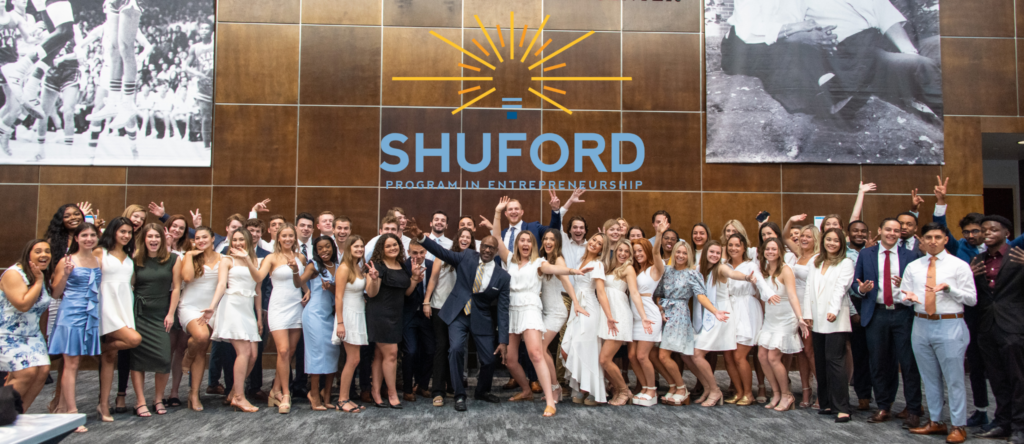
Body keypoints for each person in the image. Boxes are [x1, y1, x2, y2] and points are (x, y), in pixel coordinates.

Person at [491, 197, 586, 416]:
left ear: (533, 245)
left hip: (530, 309)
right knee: (511, 359)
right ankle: (525, 389)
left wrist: (573, 271)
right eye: (521, 241)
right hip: (511, 310)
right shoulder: (510, 260)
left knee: (536, 353)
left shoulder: (539, 263)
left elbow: (556, 270)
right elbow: (496, 237)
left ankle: (551, 400)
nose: (525, 244)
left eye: (528, 241)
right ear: (517, 245)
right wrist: (498, 212)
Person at [407, 219, 510, 413]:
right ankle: (459, 394)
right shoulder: (467, 256)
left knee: (488, 360)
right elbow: (442, 253)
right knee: (454, 350)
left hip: (481, 319)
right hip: (458, 314)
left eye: (491, 248)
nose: (487, 250)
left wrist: (503, 340)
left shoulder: (503, 277)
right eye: (485, 246)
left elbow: (503, 309)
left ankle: (482, 391)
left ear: (496, 252)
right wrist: (422, 237)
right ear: (480, 248)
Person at [898, 223, 976, 444]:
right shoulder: (914, 266)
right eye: (928, 237)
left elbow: (972, 299)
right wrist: (907, 298)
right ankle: (936, 421)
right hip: (921, 324)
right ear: (922, 240)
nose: (932, 241)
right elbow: (902, 294)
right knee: (929, 378)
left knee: (954, 379)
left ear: (945, 239)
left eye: (937, 237)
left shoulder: (959, 266)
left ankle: (959, 426)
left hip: (950, 324)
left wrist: (949, 289)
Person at [851, 218, 923, 428]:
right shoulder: (866, 254)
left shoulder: (911, 256)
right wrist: (861, 290)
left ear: (900, 234)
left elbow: (918, 288)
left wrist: (907, 286)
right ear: (880, 230)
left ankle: (913, 408)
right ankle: (883, 407)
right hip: (877, 314)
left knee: (908, 363)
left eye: (897, 231)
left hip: (903, 314)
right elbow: (856, 284)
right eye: (888, 229)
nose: (892, 233)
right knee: (878, 361)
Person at [972, 216, 1024, 443]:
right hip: (986, 327)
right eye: (984, 230)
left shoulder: (1018, 257)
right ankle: (1002, 422)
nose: (987, 233)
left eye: (993, 229)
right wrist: (970, 278)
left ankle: (1020, 427)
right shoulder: (977, 260)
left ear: (1007, 234)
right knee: (997, 379)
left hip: (1013, 326)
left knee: (1018, 380)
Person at [47, 224, 101, 429]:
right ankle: (72, 413)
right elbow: (55, 292)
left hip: (90, 316)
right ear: (76, 238)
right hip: (70, 315)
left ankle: (61, 408)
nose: (89, 238)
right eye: (84, 235)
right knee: (71, 364)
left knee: (75, 364)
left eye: (92, 235)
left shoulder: (97, 260)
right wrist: (66, 274)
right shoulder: (66, 260)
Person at [692, 240, 757, 407]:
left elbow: (732, 273)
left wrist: (746, 277)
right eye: (711, 252)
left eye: (717, 253)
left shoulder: (720, 268)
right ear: (705, 253)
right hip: (710, 313)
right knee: (726, 357)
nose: (714, 255)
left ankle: (715, 390)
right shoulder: (699, 270)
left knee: (697, 354)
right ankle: (724, 390)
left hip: (721, 314)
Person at [128, 223, 182, 418]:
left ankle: (158, 398)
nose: (153, 240)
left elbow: (176, 287)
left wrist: (170, 313)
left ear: (162, 239)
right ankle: (140, 401)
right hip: (139, 314)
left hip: (162, 314)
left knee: (164, 357)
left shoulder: (173, 259)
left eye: (157, 237)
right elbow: (129, 286)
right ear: (144, 239)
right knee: (138, 359)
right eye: (149, 236)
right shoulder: (135, 260)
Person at [364, 233, 423, 409]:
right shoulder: (377, 266)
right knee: (391, 354)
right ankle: (391, 393)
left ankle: (375, 391)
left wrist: (414, 279)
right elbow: (372, 293)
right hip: (380, 315)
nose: (392, 248)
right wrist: (373, 279)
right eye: (388, 246)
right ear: (381, 248)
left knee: (380, 355)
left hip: (396, 315)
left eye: (395, 245)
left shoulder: (402, 265)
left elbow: (406, 293)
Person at [252, 223, 307, 413]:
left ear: (295, 237)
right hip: (278, 307)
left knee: (290, 352)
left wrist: (307, 292)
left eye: (291, 236)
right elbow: (258, 277)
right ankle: (285, 394)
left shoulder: (300, 257)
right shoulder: (271, 258)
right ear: (278, 237)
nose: (288, 239)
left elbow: (302, 281)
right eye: (284, 236)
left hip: (296, 307)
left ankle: (274, 390)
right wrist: (247, 260)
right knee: (282, 351)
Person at [802, 228, 855, 423]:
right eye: (828, 239)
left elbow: (841, 288)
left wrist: (833, 310)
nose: (832, 243)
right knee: (822, 362)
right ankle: (827, 403)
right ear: (823, 241)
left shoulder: (846, 263)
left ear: (842, 244)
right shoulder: (816, 261)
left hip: (835, 318)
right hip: (816, 318)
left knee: (835, 362)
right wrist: (807, 314)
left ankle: (843, 408)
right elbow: (808, 289)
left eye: (836, 240)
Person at [93, 217, 141, 421]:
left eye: (129, 232)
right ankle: (99, 349)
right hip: (105, 305)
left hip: (123, 305)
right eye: (122, 231)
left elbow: (129, 283)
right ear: (113, 231)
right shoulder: (99, 252)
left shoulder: (130, 255)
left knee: (110, 357)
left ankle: (103, 405)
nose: (126, 235)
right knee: (133, 340)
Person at [754, 238, 808, 412]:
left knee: (773, 357)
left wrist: (800, 318)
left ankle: (787, 394)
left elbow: (793, 296)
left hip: (786, 318)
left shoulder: (786, 270)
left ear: (779, 252)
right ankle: (776, 393)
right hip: (771, 318)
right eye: (767, 249)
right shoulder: (763, 271)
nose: (770, 252)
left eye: (774, 249)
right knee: (762, 356)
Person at [599, 238, 654, 407]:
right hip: (606, 316)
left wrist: (644, 316)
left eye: (627, 251)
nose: (623, 253)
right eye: (620, 250)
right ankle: (617, 388)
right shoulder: (610, 267)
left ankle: (624, 390)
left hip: (619, 315)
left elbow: (635, 294)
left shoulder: (628, 269)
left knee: (604, 359)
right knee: (601, 360)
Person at [423, 228, 474, 407]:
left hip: (460, 311)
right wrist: (426, 301)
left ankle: (454, 386)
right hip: (439, 306)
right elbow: (433, 279)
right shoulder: (443, 256)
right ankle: (438, 390)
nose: (465, 239)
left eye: (468, 237)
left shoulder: (472, 259)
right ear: (457, 239)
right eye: (462, 236)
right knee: (441, 346)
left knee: (456, 349)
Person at [0, 240, 53, 413]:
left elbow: (44, 306)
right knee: (26, 372)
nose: (44, 255)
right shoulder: (14, 274)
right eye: (38, 251)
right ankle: (3, 414)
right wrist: (38, 282)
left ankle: (16, 415)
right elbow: (22, 305)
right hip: (7, 334)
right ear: (27, 254)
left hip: (32, 334)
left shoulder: (39, 273)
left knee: (42, 371)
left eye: (47, 251)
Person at [560, 233, 609, 406]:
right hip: (577, 308)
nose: (595, 244)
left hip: (589, 309)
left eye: (599, 243)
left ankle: (591, 391)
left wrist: (609, 317)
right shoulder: (580, 261)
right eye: (594, 240)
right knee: (567, 348)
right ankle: (581, 385)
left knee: (587, 348)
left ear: (602, 249)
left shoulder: (597, 264)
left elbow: (601, 292)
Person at [653, 240, 702, 406]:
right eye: (678, 252)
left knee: (664, 355)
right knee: (658, 353)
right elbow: (658, 293)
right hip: (665, 312)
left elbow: (701, 295)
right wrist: (660, 310)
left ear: (689, 255)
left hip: (679, 313)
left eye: (684, 253)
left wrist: (715, 311)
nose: (680, 255)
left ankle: (682, 388)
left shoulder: (692, 273)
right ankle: (673, 387)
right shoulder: (666, 271)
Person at [178, 226, 221, 412]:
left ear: (213, 239)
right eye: (197, 238)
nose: (201, 240)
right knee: (201, 337)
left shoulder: (223, 259)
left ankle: (194, 393)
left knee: (202, 348)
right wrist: (189, 255)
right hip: (190, 306)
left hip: (211, 308)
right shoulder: (189, 257)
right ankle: (188, 355)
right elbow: (187, 278)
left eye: (205, 237)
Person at [296, 236, 341, 410]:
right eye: (320, 248)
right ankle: (313, 394)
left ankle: (327, 395)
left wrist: (330, 287)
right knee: (316, 354)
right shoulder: (313, 265)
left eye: (327, 247)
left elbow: (339, 292)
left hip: (330, 315)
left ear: (333, 247)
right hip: (314, 314)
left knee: (332, 353)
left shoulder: (338, 267)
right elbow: (299, 282)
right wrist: (295, 272)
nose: (324, 251)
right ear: (316, 250)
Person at [783, 217, 820, 408]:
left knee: (809, 351)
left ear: (816, 239)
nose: (803, 239)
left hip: (808, 310)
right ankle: (806, 392)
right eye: (802, 235)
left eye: (808, 236)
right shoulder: (798, 254)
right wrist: (790, 220)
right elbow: (784, 236)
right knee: (801, 353)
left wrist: (809, 314)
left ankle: (823, 392)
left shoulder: (818, 258)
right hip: (794, 308)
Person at [722, 233, 763, 405]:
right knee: (728, 357)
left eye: (737, 245)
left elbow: (761, 287)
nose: (733, 248)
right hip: (730, 310)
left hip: (747, 309)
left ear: (744, 247)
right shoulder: (723, 266)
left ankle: (749, 393)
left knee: (740, 355)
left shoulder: (751, 265)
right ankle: (739, 392)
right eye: (730, 245)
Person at [335, 236, 368, 413]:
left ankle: (346, 397)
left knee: (355, 359)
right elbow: (338, 297)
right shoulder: (344, 268)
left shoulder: (358, 267)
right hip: (347, 315)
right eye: (356, 246)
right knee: (352, 359)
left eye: (362, 246)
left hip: (358, 313)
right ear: (348, 248)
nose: (360, 249)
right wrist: (340, 323)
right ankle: (342, 399)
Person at [401, 241, 433, 402]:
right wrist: (414, 279)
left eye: (421, 252)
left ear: (426, 251)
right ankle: (407, 389)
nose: (418, 256)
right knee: (411, 351)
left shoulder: (432, 265)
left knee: (430, 351)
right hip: (408, 315)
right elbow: (405, 294)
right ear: (408, 252)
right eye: (414, 253)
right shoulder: (403, 266)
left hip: (427, 316)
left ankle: (422, 385)